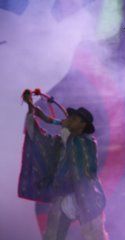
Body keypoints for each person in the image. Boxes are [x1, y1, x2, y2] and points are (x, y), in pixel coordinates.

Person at [18, 90, 108, 240]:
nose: (69, 119)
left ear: (82, 124)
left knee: (94, 235)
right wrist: (31, 107)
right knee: (54, 235)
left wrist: (64, 130)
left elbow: (84, 166)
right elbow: (44, 130)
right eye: (70, 117)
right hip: (64, 195)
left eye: (74, 118)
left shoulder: (86, 143)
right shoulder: (64, 140)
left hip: (87, 196)